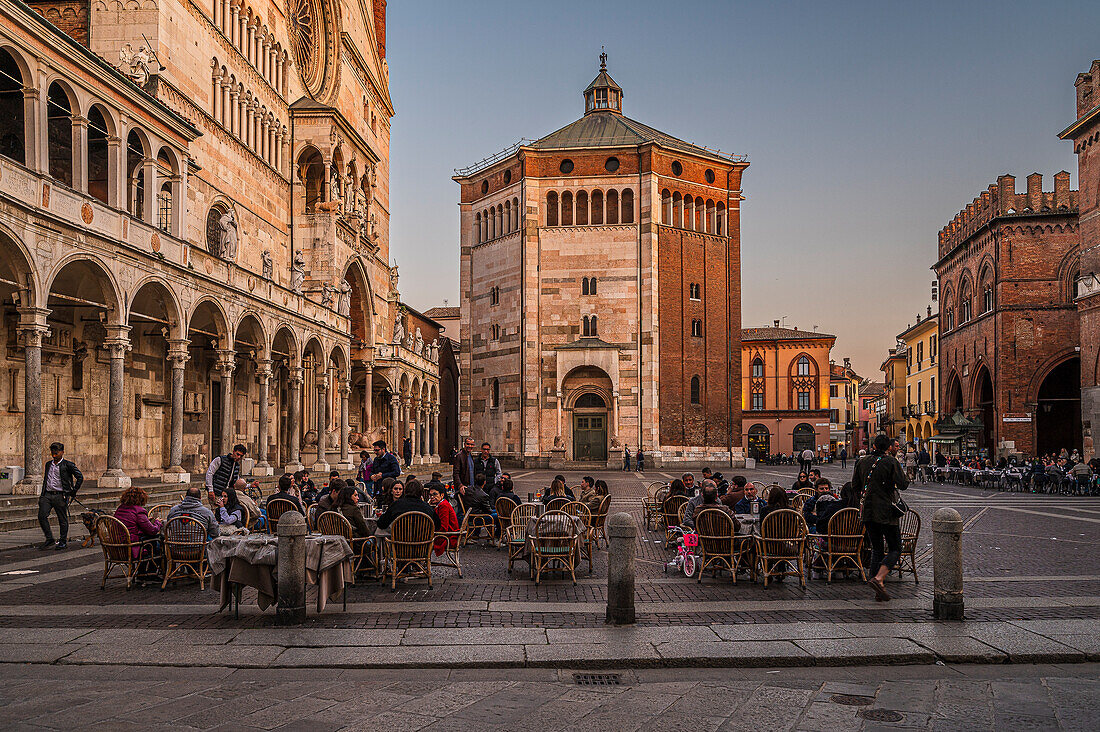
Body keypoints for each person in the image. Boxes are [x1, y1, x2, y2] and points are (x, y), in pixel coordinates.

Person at [852, 434, 910, 602]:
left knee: (876, 548)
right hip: (886, 511)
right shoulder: (891, 462)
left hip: (867, 512)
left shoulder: (862, 461)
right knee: (895, 547)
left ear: (874, 445)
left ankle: (877, 589)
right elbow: (903, 484)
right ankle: (879, 578)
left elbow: (855, 485)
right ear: (888, 447)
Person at [38, 442, 83, 550]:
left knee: (62, 519)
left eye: (57, 451)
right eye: (53, 451)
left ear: (62, 452)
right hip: (47, 494)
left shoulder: (68, 465)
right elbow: (46, 479)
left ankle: (63, 541)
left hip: (60, 495)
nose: (54, 453)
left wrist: (73, 491)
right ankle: (49, 539)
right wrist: (42, 495)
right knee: (42, 515)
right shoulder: (48, 464)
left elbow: (80, 477)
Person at [113, 486, 162, 558]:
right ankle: (150, 568)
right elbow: (152, 530)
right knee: (159, 545)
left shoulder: (120, 509)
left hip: (116, 547)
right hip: (132, 547)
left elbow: (131, 522)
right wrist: (157, 522)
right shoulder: (139, 511)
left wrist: (146, 520)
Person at [376, 480, 441, 533]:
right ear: (421, 492)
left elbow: (381, 524)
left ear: (405, 491)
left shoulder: (396, 505)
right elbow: (437, 526)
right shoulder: (427, 508)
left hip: (399, 545)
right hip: (422, 545)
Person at [429, 483, 460, 555]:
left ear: (442, 495)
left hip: (448, 537)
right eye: (430, 495)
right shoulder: (441, 504)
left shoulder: (443, 506)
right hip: (447, 534)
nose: (432, 497)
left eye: (435, 494)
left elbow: (444, 527)